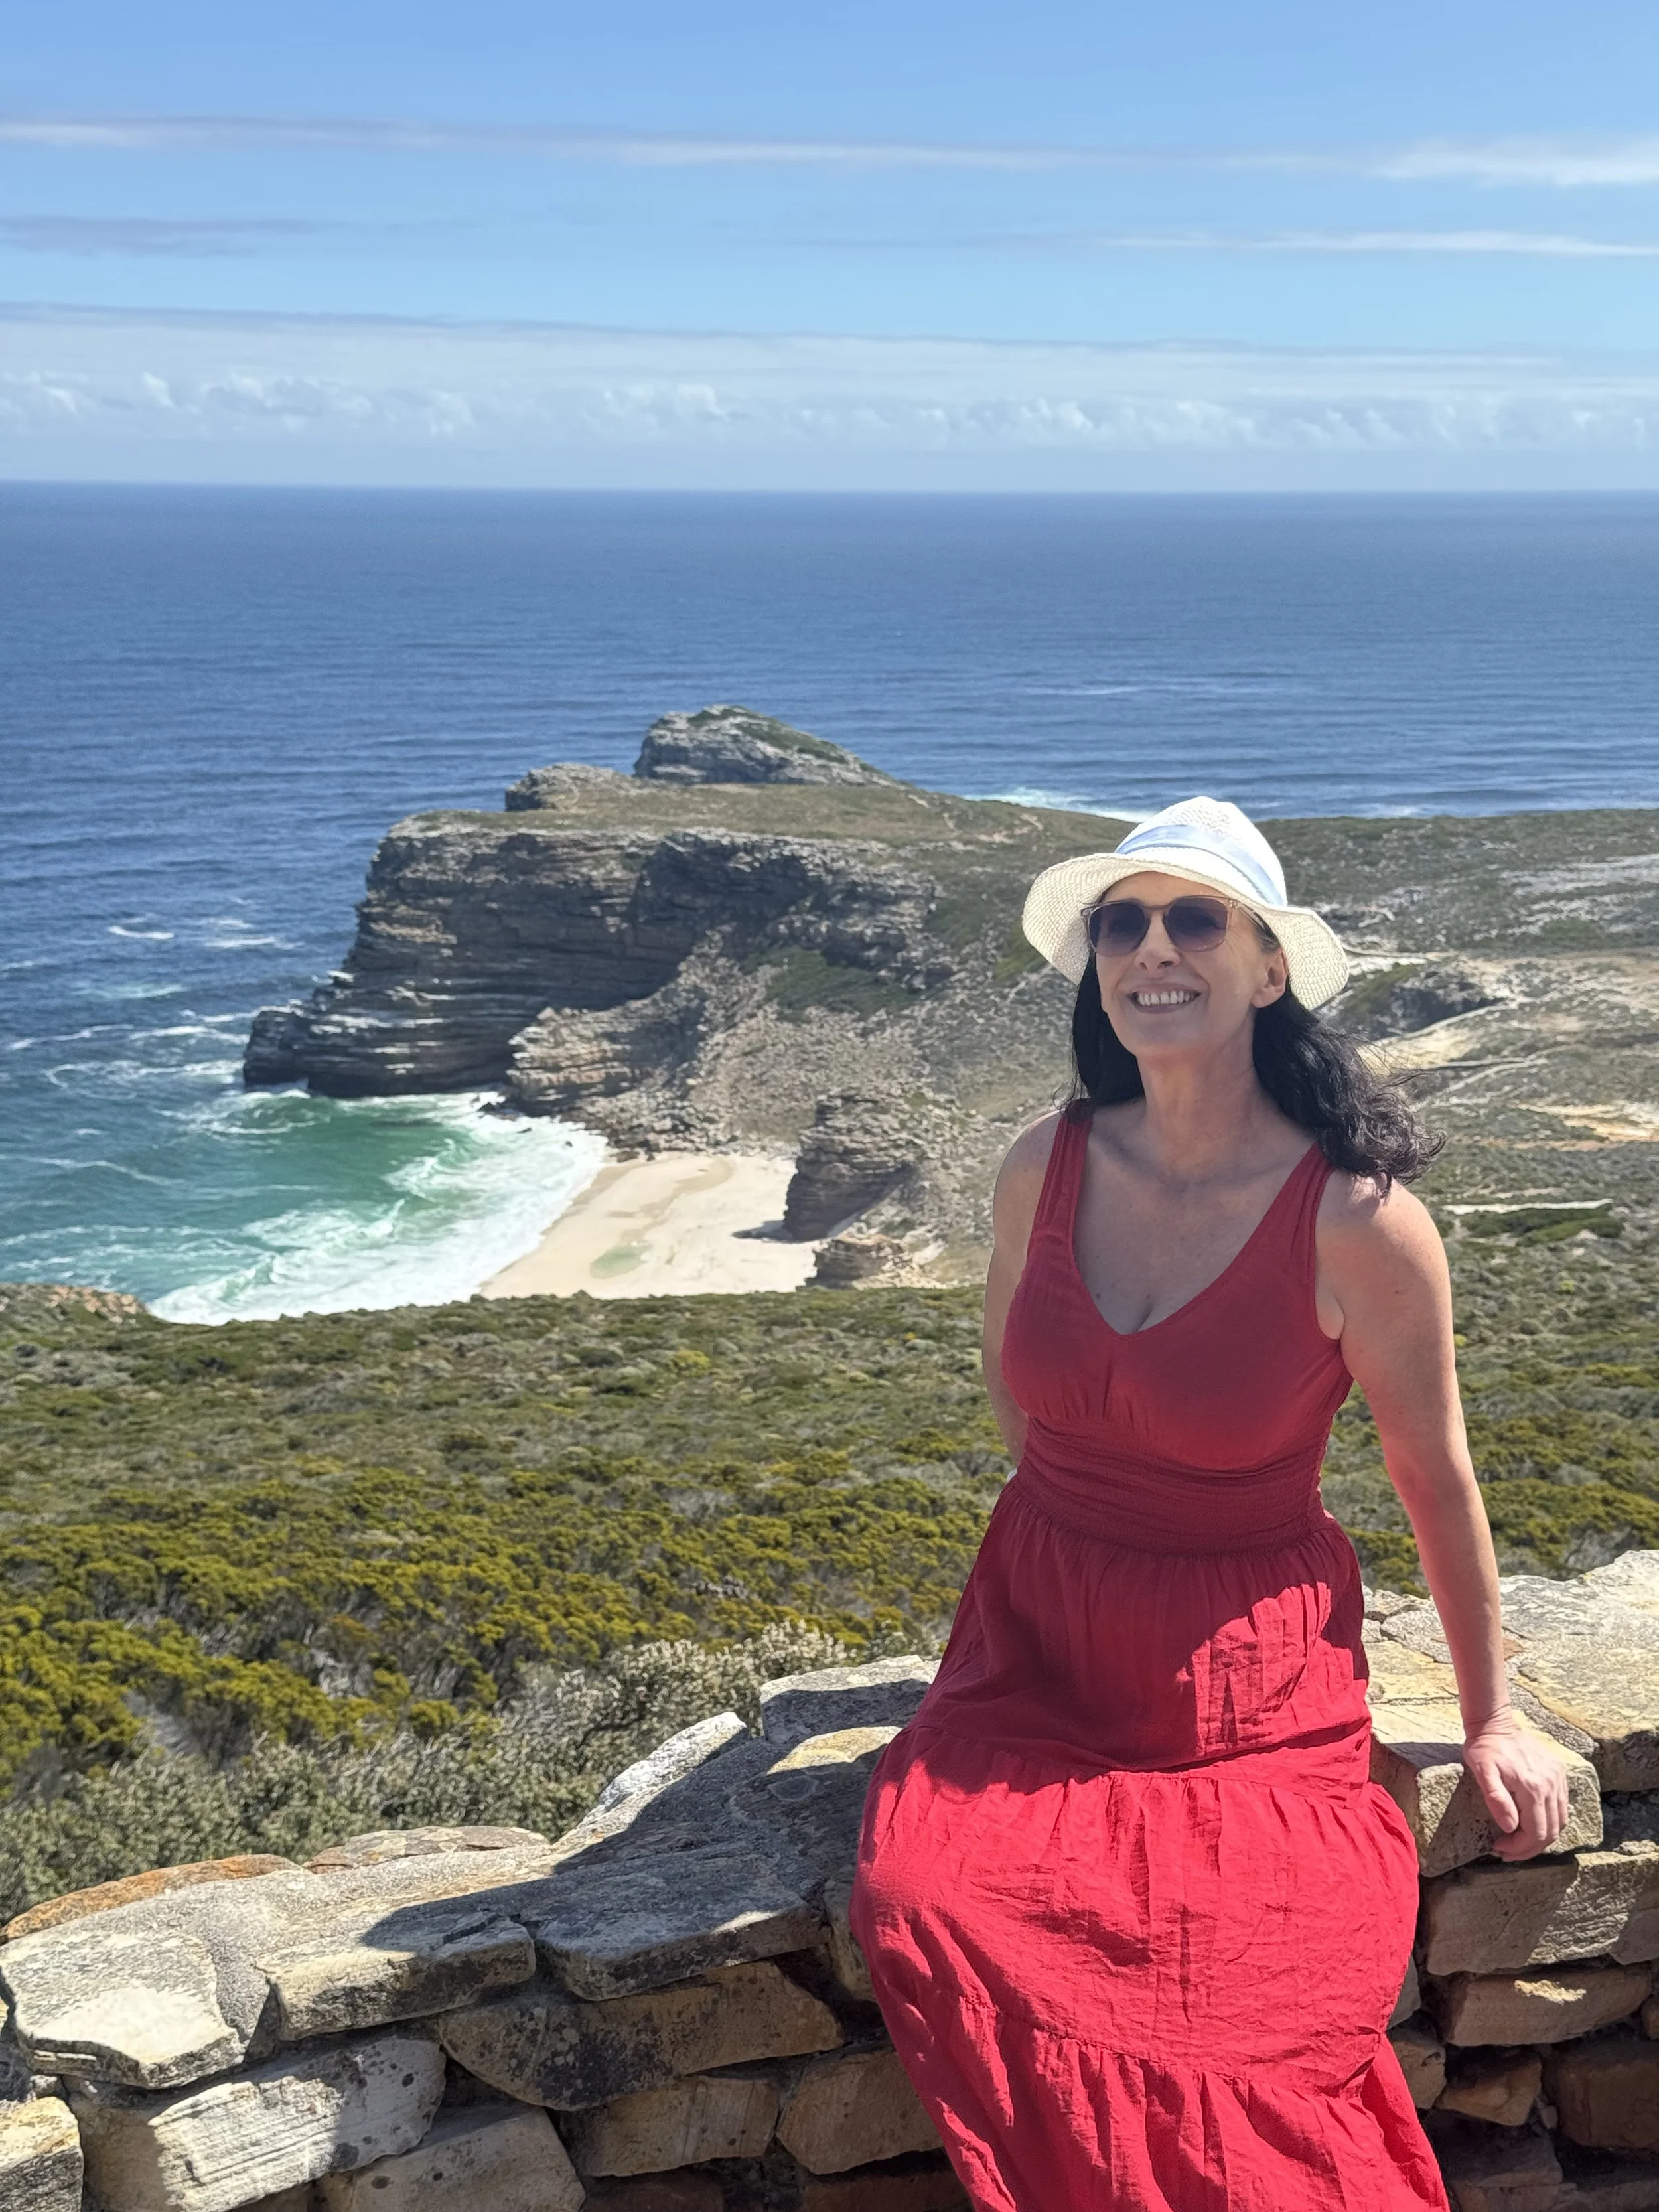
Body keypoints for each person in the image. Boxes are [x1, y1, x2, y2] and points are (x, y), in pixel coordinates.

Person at [850, 796, 1569, 2212]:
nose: (1151, 949)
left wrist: (1491, 1712)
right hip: (1035, 1636)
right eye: (1121, 923)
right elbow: (1018, 1391)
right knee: (918, 1896)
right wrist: (1082, 1497)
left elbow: (1434, 1478)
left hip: (1237, 1667)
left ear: (1265, 967)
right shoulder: (1040, 1162)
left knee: (1240, 1981)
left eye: (1194, 919)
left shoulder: (1356, 1219)